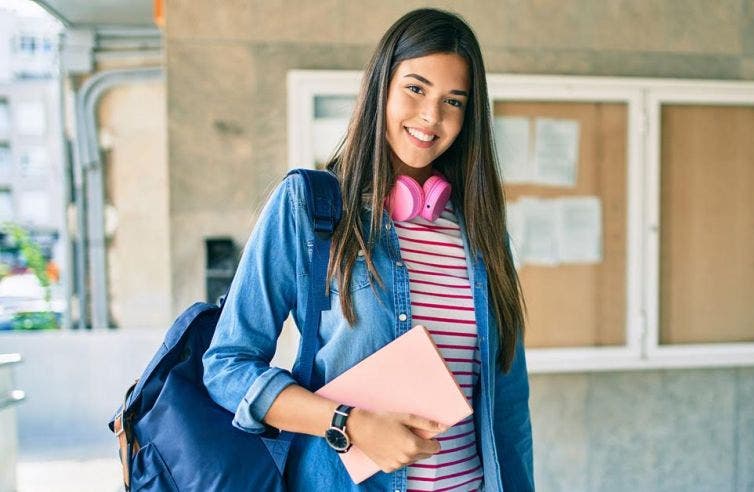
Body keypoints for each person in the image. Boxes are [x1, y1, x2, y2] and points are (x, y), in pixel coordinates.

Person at [202, 8, 534, 492]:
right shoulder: (310, 207)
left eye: (454, 101)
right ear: (382, 87)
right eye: (416, 89)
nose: (431, 117)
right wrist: (348, 422)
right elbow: (227, 366)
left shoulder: (481, 229)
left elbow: (508, 405)